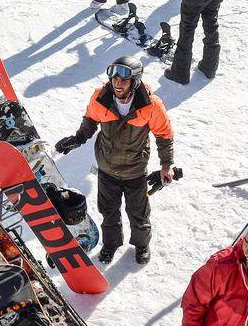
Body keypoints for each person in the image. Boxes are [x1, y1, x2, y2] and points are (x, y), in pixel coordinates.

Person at [54, 56, 174, 265]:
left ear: (134, 81)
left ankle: (142, 244)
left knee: (138, 212)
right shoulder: (101, 97)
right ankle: (111, 244)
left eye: (124, 80)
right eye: (115, 79)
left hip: (135, 169)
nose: (118, 84)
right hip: (107, 167)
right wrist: (78, 138)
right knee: (108, 211)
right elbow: (90, 119)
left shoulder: (151, 105)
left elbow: (164, 134)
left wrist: (166, 165)